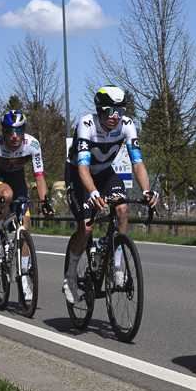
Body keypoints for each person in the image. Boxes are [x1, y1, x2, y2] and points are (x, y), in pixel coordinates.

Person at [62, 87, 157, 303]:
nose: (115, 116)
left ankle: (116, 267)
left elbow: (137, 162)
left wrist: (146, 190)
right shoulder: (87, 124)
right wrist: (93, 192)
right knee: (86, 228)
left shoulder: (127, 125)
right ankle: (70, 276)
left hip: (105, 171)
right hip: (79, 173)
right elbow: (83, 167)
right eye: (110, 111)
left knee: (122, 208)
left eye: (120, 111)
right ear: (99, 110)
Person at [0, 110, 52, 303]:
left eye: (19, 131)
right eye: (9, 131)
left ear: (24, 131)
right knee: (7, 195)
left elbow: (40, 179)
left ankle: (23, 278)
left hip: (19, 182)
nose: (14, 135)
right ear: (3, 132)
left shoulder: (32, 144)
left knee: (25, 227)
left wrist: (45, 201)